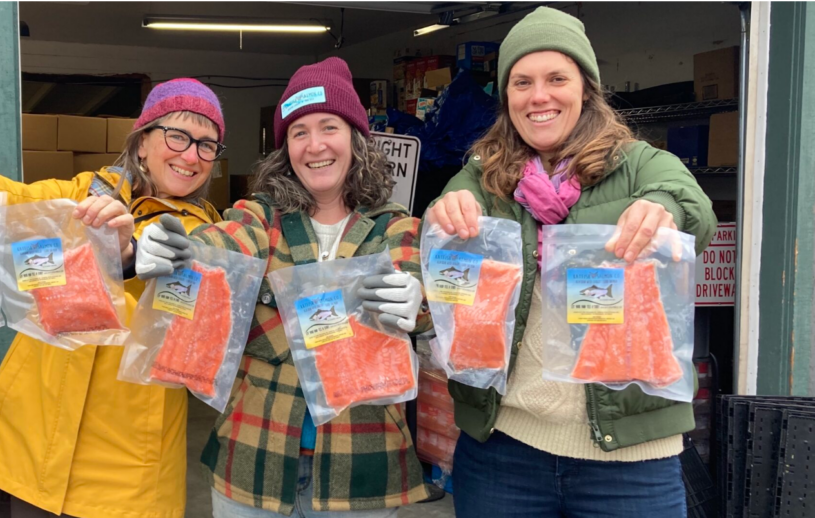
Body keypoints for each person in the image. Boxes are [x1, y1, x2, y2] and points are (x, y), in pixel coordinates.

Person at [425, 7, 718, 518]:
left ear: (585, 87)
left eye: (556, 78)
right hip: (503, 452)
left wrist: (663, 209)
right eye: (522, 82)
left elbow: (694, 210)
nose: (539, 96)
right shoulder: (482, 176)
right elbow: (439, 230)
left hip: (632, 461)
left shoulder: (638, 163)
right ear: (507, 96)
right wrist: (442, 213)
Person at [0, 78, 227, 518]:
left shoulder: (209, 236)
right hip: (35, 435)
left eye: (207, 145)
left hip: (122, 464)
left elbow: (194, 301)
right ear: (141, 144)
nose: (191, 155)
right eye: (177, 135)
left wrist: (130, 256)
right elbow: (24, 201)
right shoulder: (88, 191)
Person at [136, 57, 431, 517]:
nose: (315, 145)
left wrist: (418, 301)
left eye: (328, 126)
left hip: (362, 467)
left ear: (355, 138)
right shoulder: (261, 218)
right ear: (285, 149)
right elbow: (224, 241)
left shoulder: (393, 226)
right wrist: (176, 246)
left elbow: (415, 276)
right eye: (299, 132)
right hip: (254, 455)